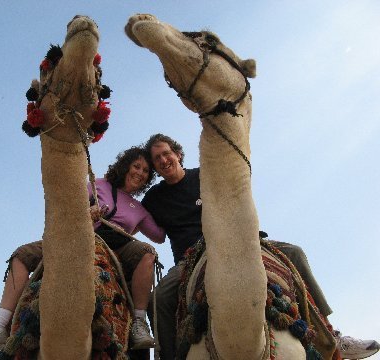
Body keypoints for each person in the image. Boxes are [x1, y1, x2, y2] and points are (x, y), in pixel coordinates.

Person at [141, 133, 379, 360]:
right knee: (159, 297)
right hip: (191, 256)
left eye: (166, 153)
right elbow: (136, 220)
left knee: (295, 253)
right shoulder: (154, 199)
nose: (163, 160)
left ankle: (332, 335)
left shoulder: (208, 175)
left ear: (177, 154)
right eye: (157, 159)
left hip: (234, 239)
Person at [0, 146, 166, 353]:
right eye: (137, 166)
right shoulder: (97, 186)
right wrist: (87, 212)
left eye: (145, 172)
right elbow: (66, 210)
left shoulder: (139, 209)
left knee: (147, 252)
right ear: (126, 166)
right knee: (22, 255)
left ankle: (139, 323)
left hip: (117, 247)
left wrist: (163, 200)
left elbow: (159, 236)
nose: (140, 173)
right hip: (78, 237)